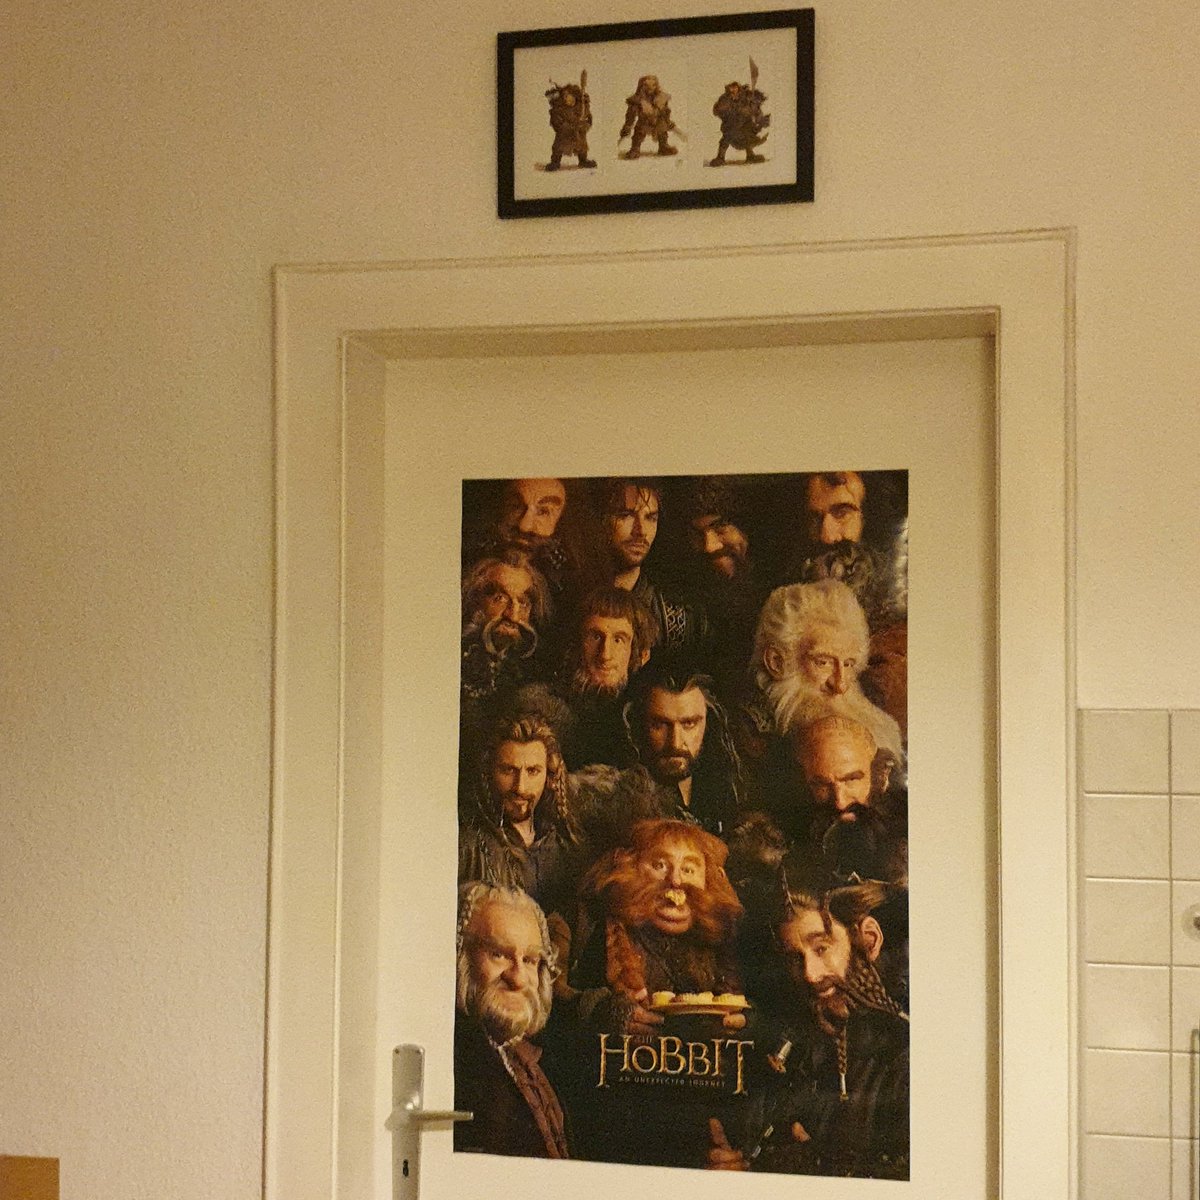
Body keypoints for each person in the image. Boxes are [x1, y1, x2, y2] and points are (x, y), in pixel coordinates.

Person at [707, 877, 909, 1179]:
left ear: (869, 939)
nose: (810, 975)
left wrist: (811, 1169)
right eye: (794, 956)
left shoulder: (903, 1058)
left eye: (822, 948)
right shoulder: (787, 1051)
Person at [453, 883, 571, 1159]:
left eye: (529, 960)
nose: (517, 978)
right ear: (461, 956)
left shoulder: (536, 1062)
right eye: (498, 955)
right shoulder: (457, 1063)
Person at [750, 579, 903, 765]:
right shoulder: (753, 738)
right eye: (823, 663)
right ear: (776, 663)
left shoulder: (879, 729)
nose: (840, 685)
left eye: (848, 665)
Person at [459, 715, 583, 917]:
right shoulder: (467, 847)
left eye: (533, 771)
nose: (520, 787)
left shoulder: (567, 844)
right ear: (489, 772)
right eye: (508, 770)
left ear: (550, 775)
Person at [622, 654, 744, 837]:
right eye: (659, 725)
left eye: (689, 724)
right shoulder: (619, 803)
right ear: (639, 724)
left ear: (708, 723)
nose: (675, 742)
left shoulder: (730, 792)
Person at [557, 587, 658, 769]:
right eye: (595, 637)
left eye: (618, 640)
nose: (605, 654)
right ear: (577, 644)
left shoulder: (650, 719)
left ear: (637, 652)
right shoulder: (545, 714)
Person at [460, 552, 550, 707]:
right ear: (476, 602)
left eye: (523, 603)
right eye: (500, 598)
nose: (513, 616)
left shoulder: (534, 674)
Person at [710, 74, 769, 167]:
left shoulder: (746, 97)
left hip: (744, 124)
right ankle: (720, 157)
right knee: (726, 139)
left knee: (748, 138)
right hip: (730, 125)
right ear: (728, 88)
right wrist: (726, 106)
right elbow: (717, 110)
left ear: (738, 87)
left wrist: (752, 107)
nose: (733, 89)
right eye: (731, 87)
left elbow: (754, 110)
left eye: (735, 87)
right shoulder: (725, 98)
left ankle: (750, 156)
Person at [618, 74, 678, 158]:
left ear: (656, 86)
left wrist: (668, 122)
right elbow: (630, 115)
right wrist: (627, 126)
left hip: (658, 121)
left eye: (653, 85)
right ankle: (635, 148)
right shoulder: (637, 100)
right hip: (644, 121)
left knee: (662, 128)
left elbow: (666, 112)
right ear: (641, 86)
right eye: (646, 85)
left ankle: (663, 146)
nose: (650, 88)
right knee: (639, 132)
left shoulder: (662, 98)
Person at [545, 78, 596, 171]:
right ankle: (555, 162)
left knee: (582, 146)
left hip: (579, 133)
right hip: (564, 134)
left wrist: (584, 125)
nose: (567, 99)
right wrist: (566, 127)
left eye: (569, 96)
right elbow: (556, 123)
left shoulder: (582, 107)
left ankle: (583, 160)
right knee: (558, 147)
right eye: (564, 97)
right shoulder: (558, 109)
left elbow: (589, 119)